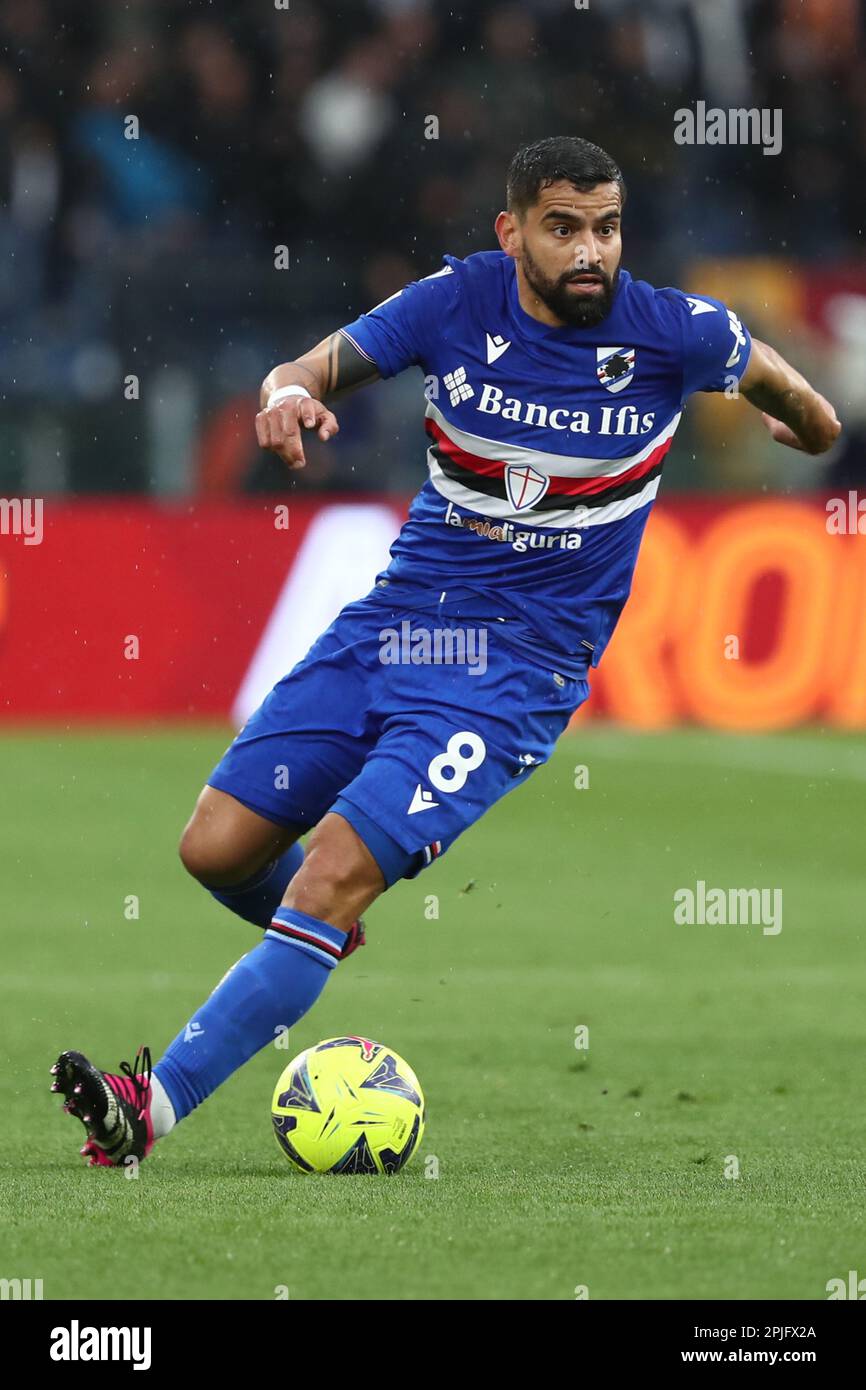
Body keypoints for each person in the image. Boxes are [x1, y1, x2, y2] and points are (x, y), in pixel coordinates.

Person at [52, 135, 840, 1168]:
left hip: (515, 673)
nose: (589, 250)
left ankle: (149, 1104)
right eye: (562, 228)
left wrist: (810, 431)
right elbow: (311, 365)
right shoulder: (455, 304)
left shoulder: (674, 332)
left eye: (605, 227)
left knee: (328, 872)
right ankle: (318, 927)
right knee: (213, 848)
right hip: (395, 625)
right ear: (511, 232)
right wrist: (284, 394)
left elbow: (802, 398)